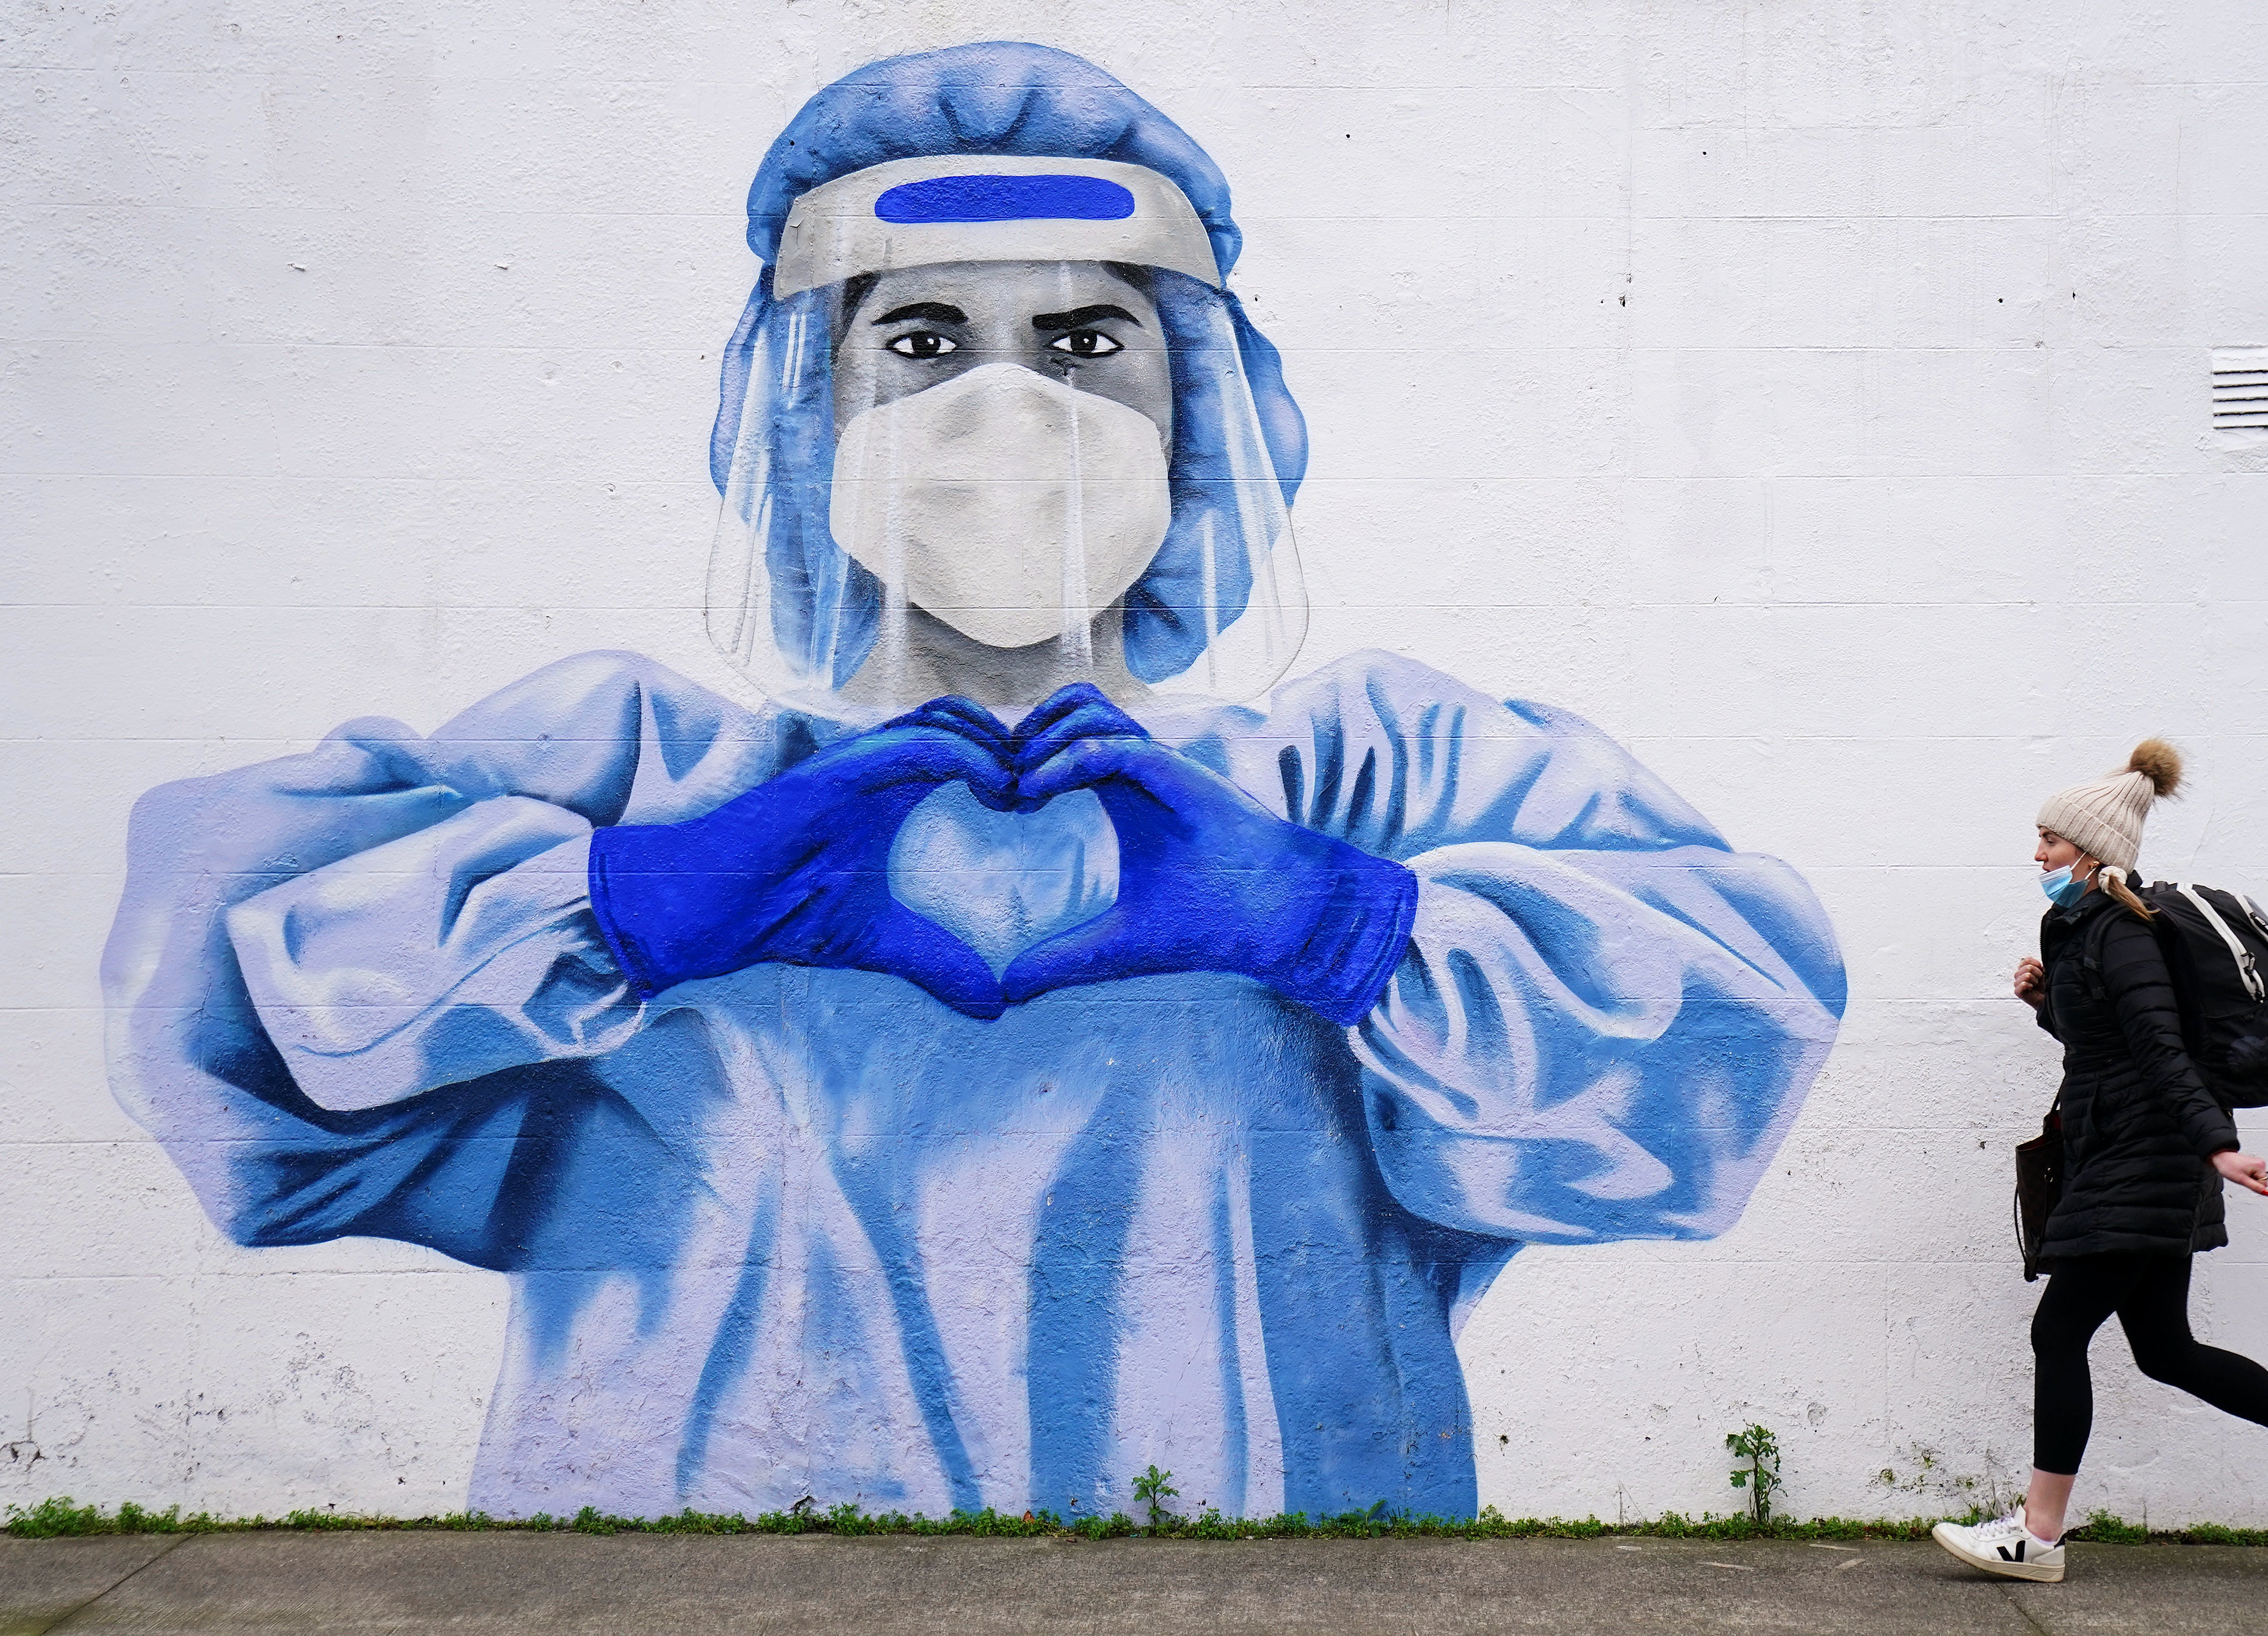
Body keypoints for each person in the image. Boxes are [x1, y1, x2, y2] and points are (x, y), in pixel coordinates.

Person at [102, 43, 1845, 1523]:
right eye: (921, 341)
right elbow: (215, 1013)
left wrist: (1346, 920)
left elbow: (1733, 1020)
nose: (1008, 415)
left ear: (1204, 413)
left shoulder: (1367, 779)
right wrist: (624, 904)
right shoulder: (637, 772)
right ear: (810, 410)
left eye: (1088, 345)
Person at [1932, 741, 2268, 1583]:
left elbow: (2160, 1049)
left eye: (2051, 841)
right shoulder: (2086, 929)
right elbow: (2105, 1045)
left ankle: (2039, 1534)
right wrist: (2048, 1002)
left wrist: (2217, 1143)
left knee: (2059, 1329)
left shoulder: (2126, 936)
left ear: (2094, 851)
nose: (2037, 854)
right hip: (2130, 1150)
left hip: (2148, 1156)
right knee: (2166, 1348)